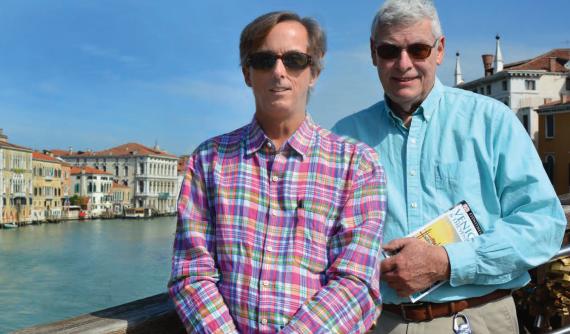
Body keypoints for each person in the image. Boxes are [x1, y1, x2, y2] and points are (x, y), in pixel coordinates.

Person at [332, 0, 566, 333]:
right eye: (389, 51)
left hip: (478, 319)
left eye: (418, 49)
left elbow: (543, 225)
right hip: (378, 322)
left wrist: (446, 262)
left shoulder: (491, 121)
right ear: (373, 53)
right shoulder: (343, 138)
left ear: (439, 51)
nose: (403, 64)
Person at [168, 11, 387, 333]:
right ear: (247, 73)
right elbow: (192, 272)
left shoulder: (357, 164)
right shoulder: (208, 160)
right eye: (264, 60)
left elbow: (356, 282)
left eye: (295, 60)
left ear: (313, 72)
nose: (279, 71)